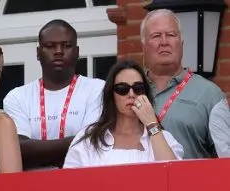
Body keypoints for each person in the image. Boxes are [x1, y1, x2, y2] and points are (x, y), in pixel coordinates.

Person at [4, 21, 104, 170]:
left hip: (82, 184)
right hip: (32, 188)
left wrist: (37, 154)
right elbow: (18, 150)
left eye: (67, 46)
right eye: (50, 46)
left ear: (77, 52)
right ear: (38, 53)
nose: (59, 51)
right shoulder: (17, 97)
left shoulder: (98, 89)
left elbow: (92, 142)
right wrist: (75, 146)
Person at [141, 8, 230, 160]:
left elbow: (226, 158)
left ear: (181, 42)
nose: (164, 42)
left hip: (192, 183)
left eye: (171, 35)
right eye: (156, 36)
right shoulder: (129, 91)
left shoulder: (209, 94)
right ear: (143, 46)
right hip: (137, 182)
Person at [64, 60, 183, 168]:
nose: (131, 94)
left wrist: (152, 124)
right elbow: (70, 183)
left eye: (138, 88)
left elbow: (174, 177)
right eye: (122, 89)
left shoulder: (163, 138)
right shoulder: (89, 138)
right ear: (111, 94)